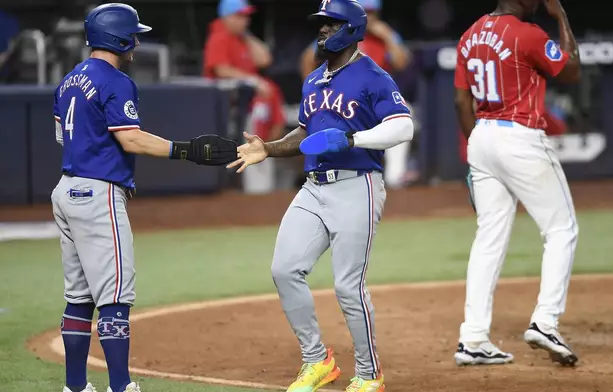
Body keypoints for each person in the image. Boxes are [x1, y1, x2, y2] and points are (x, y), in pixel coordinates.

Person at [227, 0, 413, 390]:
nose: (323, 30)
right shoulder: (314, 79)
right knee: (284, 269)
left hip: (357, 183)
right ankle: (318, 360)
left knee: (348, 286)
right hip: (313, 188)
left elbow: (402, 127)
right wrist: (269, 148)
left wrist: (354, 137)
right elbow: (305, 134)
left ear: (351, 29)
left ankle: (369, 373)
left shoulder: (372, 75)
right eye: (321, 24)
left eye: (331, 24)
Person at [52, 4, 237, 392]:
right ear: (118, 39)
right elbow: (130, 138)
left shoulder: (68, 80)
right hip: (97, 193)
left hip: (66, 190)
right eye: (132, 36)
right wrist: (183, 150)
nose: (136, 43)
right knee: (115, 294)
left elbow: (61, 137)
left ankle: (75, 386)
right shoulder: (115, 80)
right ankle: (120, 386)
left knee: (79, 295)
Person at [452, 0, 581, 367]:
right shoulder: (527, 34)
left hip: (482, 136)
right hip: (520, 135)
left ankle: (473, 337)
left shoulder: (469, 34)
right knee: (561, 229)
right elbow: (571, 71)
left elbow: (461, 100)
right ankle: (546, 321)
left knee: (488, 237)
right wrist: (562, 16)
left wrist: (476, 151)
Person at [300, 0, 412, 190]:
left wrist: (387, 36)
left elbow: (402, 62)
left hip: (376, 100)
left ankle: (395, 178)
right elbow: (305, 60)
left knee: (401, 117)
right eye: (366, 11)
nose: (370, 17)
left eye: (372, 12)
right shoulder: (337, 33)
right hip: (344, 100)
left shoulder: (383, 38)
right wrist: (316, 92)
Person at [202, 0, 286, 192]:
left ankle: (260, 181)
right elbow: (221, 69)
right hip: (226, 105)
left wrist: (247, 36)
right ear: (226, 17)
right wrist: (254, 81)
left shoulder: (241, 38)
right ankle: (253, 188)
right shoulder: (220, 36)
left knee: (265, 117)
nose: (245, 21)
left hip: (246, 103)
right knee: (254, 132)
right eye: (240, 16)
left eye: (246, 16)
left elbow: (265, 59)